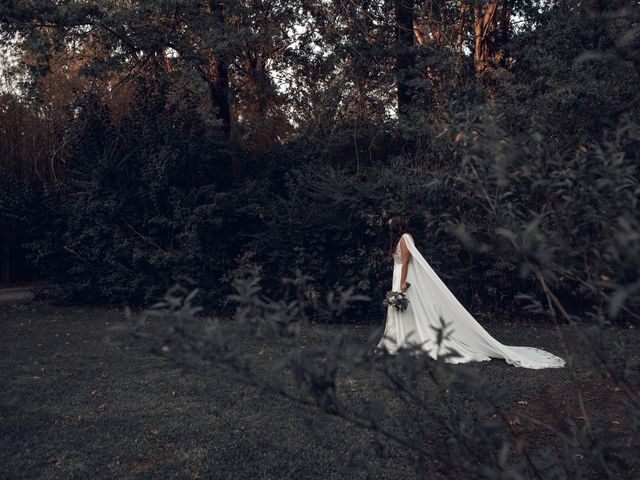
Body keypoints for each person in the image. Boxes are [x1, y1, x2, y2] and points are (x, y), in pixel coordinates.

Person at [375, 214, 566, 369]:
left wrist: (401, 284)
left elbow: (407, 262)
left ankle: (411, 340)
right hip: (398, 275)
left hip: (403, 277)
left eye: (390, 222)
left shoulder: (405, 238)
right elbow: (400, 262)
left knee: (409, 308)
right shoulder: (397, 240)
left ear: (396, 225)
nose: (387, 224)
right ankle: (398, 340)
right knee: (401, 310)